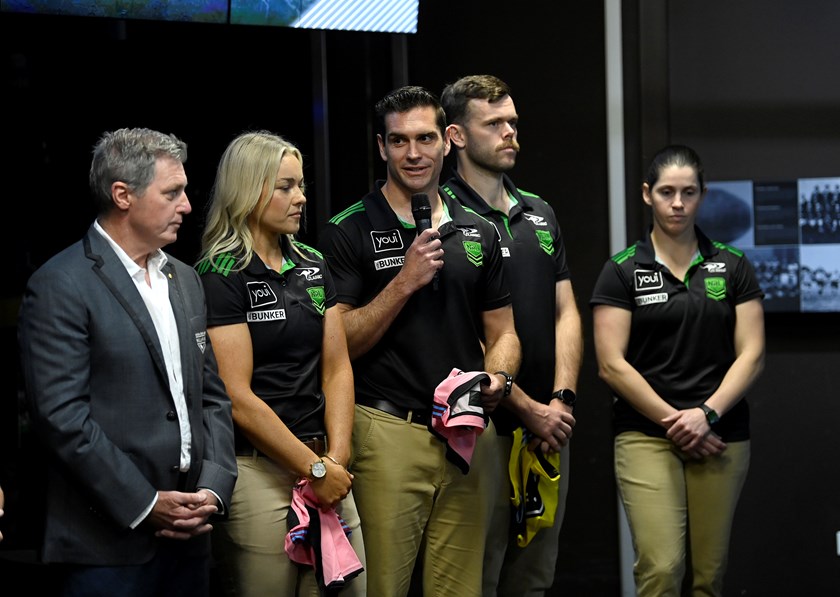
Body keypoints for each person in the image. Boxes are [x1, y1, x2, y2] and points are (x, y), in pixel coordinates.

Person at [318, 85, 521, 596]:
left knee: (460, 591)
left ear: (447, 142)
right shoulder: (349, 230)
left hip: (466, 435)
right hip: (388, 431)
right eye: (399, 141)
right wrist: (403, 283)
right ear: (382, 148)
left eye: (426, 138)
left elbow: (504, 333)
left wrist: (498, 378)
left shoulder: (479, 229)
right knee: (382, 587)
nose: (414, 153)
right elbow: (336, 343)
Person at [16, 127, 238, 596]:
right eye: (172, 192)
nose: (187, 206)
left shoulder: (185, 278)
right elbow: (61, 419)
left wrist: (213, 489)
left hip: (192, 540)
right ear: (122, 195)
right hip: (105, 548)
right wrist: (144, 502)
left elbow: (212, 396)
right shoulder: (61, 284)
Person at [590, 144, 765, 596]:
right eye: (667, 192)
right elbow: (611, 365)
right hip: (647, 435)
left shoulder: (732, 265)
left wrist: (704, 415)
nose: (678, 203)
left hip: (720, 434)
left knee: (709, 574)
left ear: (702, 195)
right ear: (648, 194)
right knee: (662, 568)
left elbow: (752, 354)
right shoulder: (622, 270)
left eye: (689, 192)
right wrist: (678, 421)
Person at [196, 131, 366, 596]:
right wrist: (314, 469)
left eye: (302, 185)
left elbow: (337, 368)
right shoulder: (220, 274)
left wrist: (337, 458)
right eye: (286, 186)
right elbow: (237, 397)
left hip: (326, 463)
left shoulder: (312, 262)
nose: (301, 198)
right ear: (249, 192)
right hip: (259, 472)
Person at [440, 74, 583, 596]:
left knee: (535, 578)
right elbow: (458, 329)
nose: (510, 134)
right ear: (456, 136)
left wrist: (560, 401)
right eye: (494, 123)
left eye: (513, 123)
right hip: (481, 429)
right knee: (481, 575)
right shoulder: (441, 215)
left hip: (551, 427)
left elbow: (566, 309)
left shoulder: (540, 211)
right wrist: (526, 407)